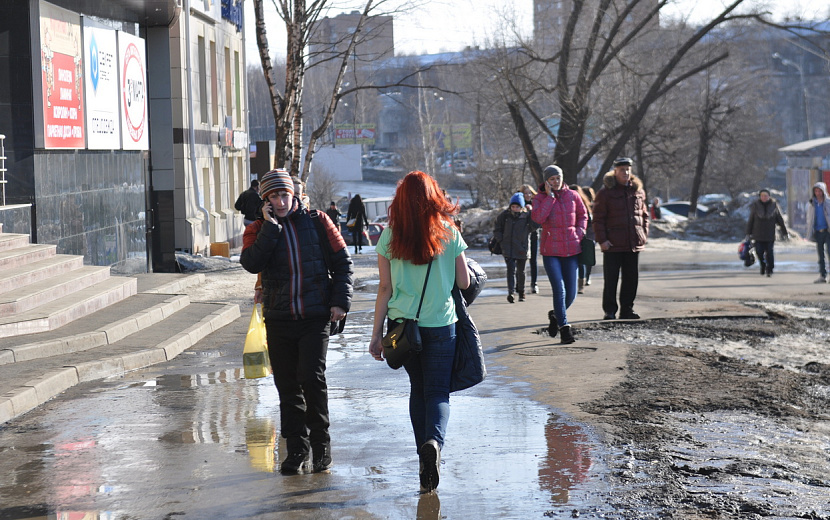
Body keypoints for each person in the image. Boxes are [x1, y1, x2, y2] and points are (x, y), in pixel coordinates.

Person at [240, 168, 354, 475]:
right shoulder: (258, 229)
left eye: (283, 194)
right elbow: (251, 263)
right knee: (287, 385)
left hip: (315, 315)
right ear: (265, 201)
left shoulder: (318, 221)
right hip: (278, 318)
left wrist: (340, 302)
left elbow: (343, 262)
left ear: (294, 194)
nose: (279, 201)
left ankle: (321, 447)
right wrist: (270, 228)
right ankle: (296, 449)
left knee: (312, 378)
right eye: (272, 196)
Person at [368, 171, 470, 493]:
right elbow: (465, 282)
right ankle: (434, 444)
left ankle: (422, 458)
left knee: (418, 390)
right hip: (441, 324)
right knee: (438, 392)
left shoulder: (390, 237)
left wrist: (375, 336)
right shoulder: (448, 232)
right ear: (433, 197)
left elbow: (384, 288)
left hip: (403, 329)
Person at [531, 166, 587, 344]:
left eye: (558, 178)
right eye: (552, 179)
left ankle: (555, 315)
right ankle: (564, 328)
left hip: (572, 249)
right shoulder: (539, 198)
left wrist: (579, 232)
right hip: (551, 251)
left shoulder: (573, 195)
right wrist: (550, 198)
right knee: (559, 289)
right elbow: (538, 219)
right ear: (546, 181)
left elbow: (583, 215)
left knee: (571, 293)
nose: (556, 182)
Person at [593, 157, 649, 320]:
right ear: (615, 172)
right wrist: (602, 240)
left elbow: (644, 215)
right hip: (612, 244)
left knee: (631, 279)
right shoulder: (605, 193)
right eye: (622, 170)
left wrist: (643, 234)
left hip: (633, 243)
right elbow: (598, 219)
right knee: (611, 279)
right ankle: (609, 310)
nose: (625, 172)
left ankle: (627, 309)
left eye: (628, 169)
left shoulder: (637, 191)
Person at [494, 192, 537, 303]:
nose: (515, 209)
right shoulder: (504, 216)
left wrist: (532, 212)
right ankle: (511, 292)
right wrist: (501, 240)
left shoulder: (526, 216)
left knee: (521, 272)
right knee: (510, 271)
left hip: (522, 248)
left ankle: (521, 292)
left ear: (521, 207)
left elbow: (535, 225)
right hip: (508, 248)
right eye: (513, 206)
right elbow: (497, 229)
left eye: (517, 207)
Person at [746, 188, 788, 277]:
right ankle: (763, 265)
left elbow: (779, 219)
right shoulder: (755, 206)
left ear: (769, 196)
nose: (764, 197)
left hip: (770, 234)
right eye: (762, 196)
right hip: (758, 233)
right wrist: (748, 233)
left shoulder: (774, 205)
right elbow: (751, 220)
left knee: (770, 252)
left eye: (765, 196)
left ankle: (770, 269)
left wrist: (784, 232)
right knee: (759, 252)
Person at [571, 185, 595, 294]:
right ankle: (571, 283)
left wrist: (582, 230)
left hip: (583, 236)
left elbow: (589, 220)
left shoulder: (584, 205)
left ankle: (581, 285)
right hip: (569, 237)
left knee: (581, 262)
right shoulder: (566, 204)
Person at [806, 182, 830, 283]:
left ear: (823, 191)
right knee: (821, 255)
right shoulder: (812, 204)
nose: (818, 193)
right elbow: (809, 218)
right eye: (816, 191)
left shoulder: (828, 203)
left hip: (828, 231)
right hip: (818, 231)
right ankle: (822, 275)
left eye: (820, 191)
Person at [521, 184, 540, 293]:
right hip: (521, 236)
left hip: (533, 235)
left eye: (529, 193)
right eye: (525, 193)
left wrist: (532, 211)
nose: (528, 195)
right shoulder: (518, 204)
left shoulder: (536, 204)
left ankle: (534, 284)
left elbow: (539, 220)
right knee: (520, 260)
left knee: (533, 260)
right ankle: (519, 285)